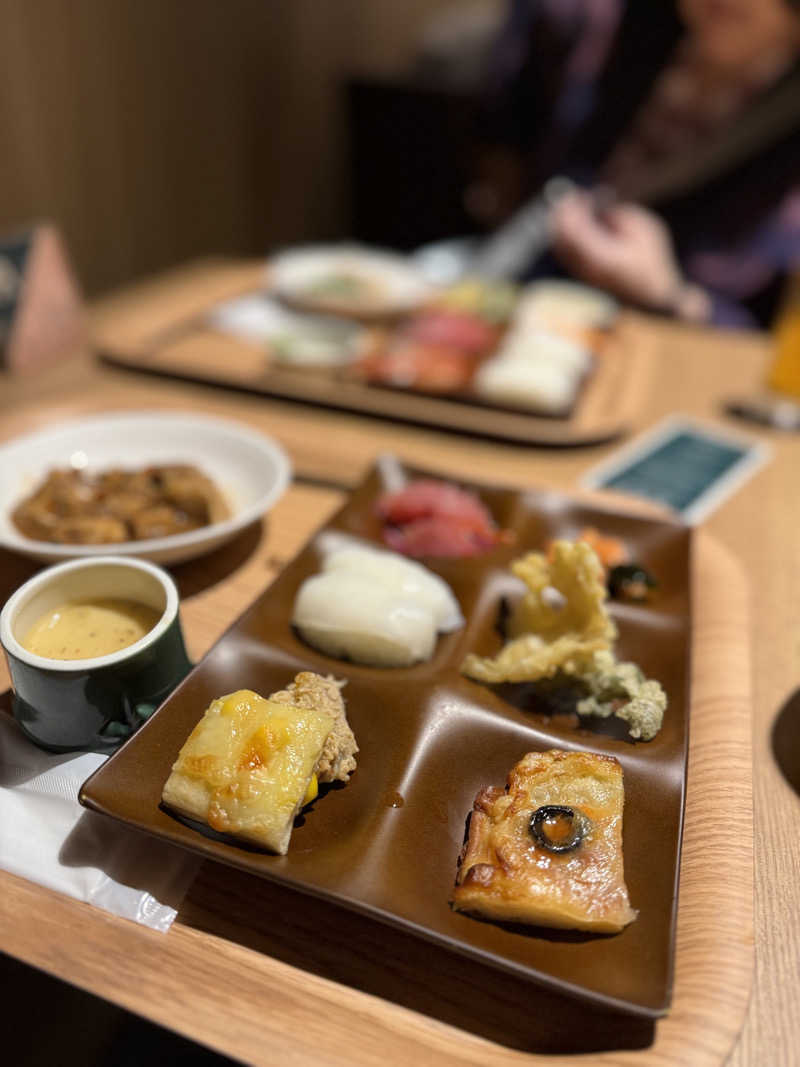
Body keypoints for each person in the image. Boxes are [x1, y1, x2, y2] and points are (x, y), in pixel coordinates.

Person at [475, 0, 800, 327]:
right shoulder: (613, 24)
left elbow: (766, 327)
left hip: (663, 334)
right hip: (527, 284)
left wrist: (668, 295)